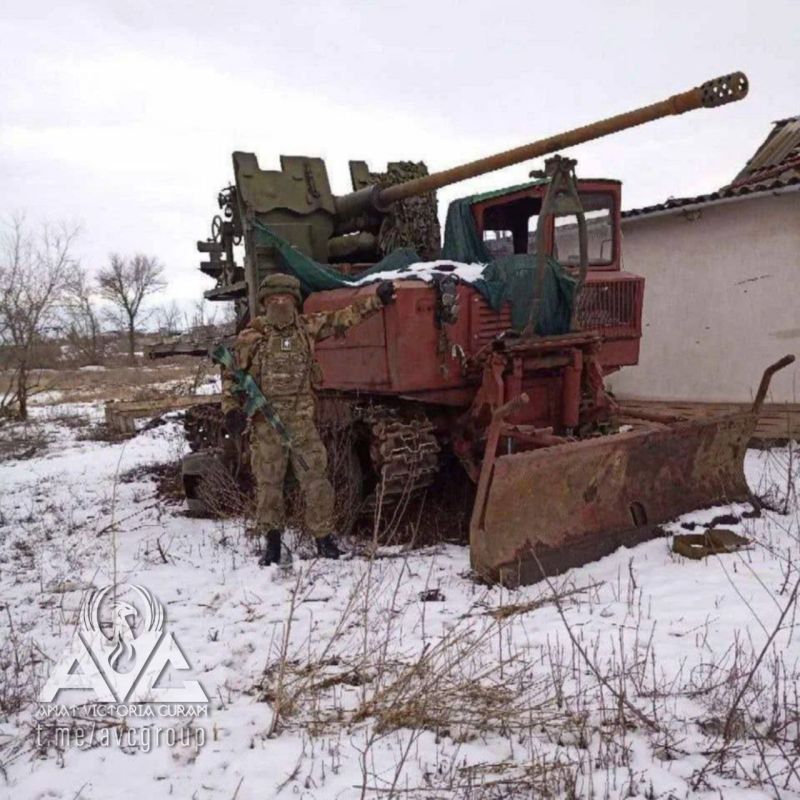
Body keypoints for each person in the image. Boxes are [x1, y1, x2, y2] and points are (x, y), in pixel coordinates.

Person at [221, 273, 396, 565]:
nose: (280, 303)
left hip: (302, 425)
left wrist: (376, 300)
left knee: (316, 481)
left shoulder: (307, 328)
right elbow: (230, 376)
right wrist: (231, 410)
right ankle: (273, 545)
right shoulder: (250, 338)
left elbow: (344, 318)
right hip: (267, 425)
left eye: (286, 298)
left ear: (295, 302)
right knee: (269, 486)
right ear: (265, 303)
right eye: (274, 299)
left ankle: (324, 540)